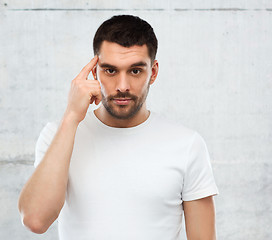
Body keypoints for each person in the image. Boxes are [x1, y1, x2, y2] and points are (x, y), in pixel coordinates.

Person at [18, 15, 219, 240]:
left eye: (135, 71)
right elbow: (35, 220)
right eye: (110, 71)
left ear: (152, 73)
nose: (122, 86)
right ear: (94, 72)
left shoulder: (187, 144)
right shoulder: (59, 134)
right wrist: (72, 116)